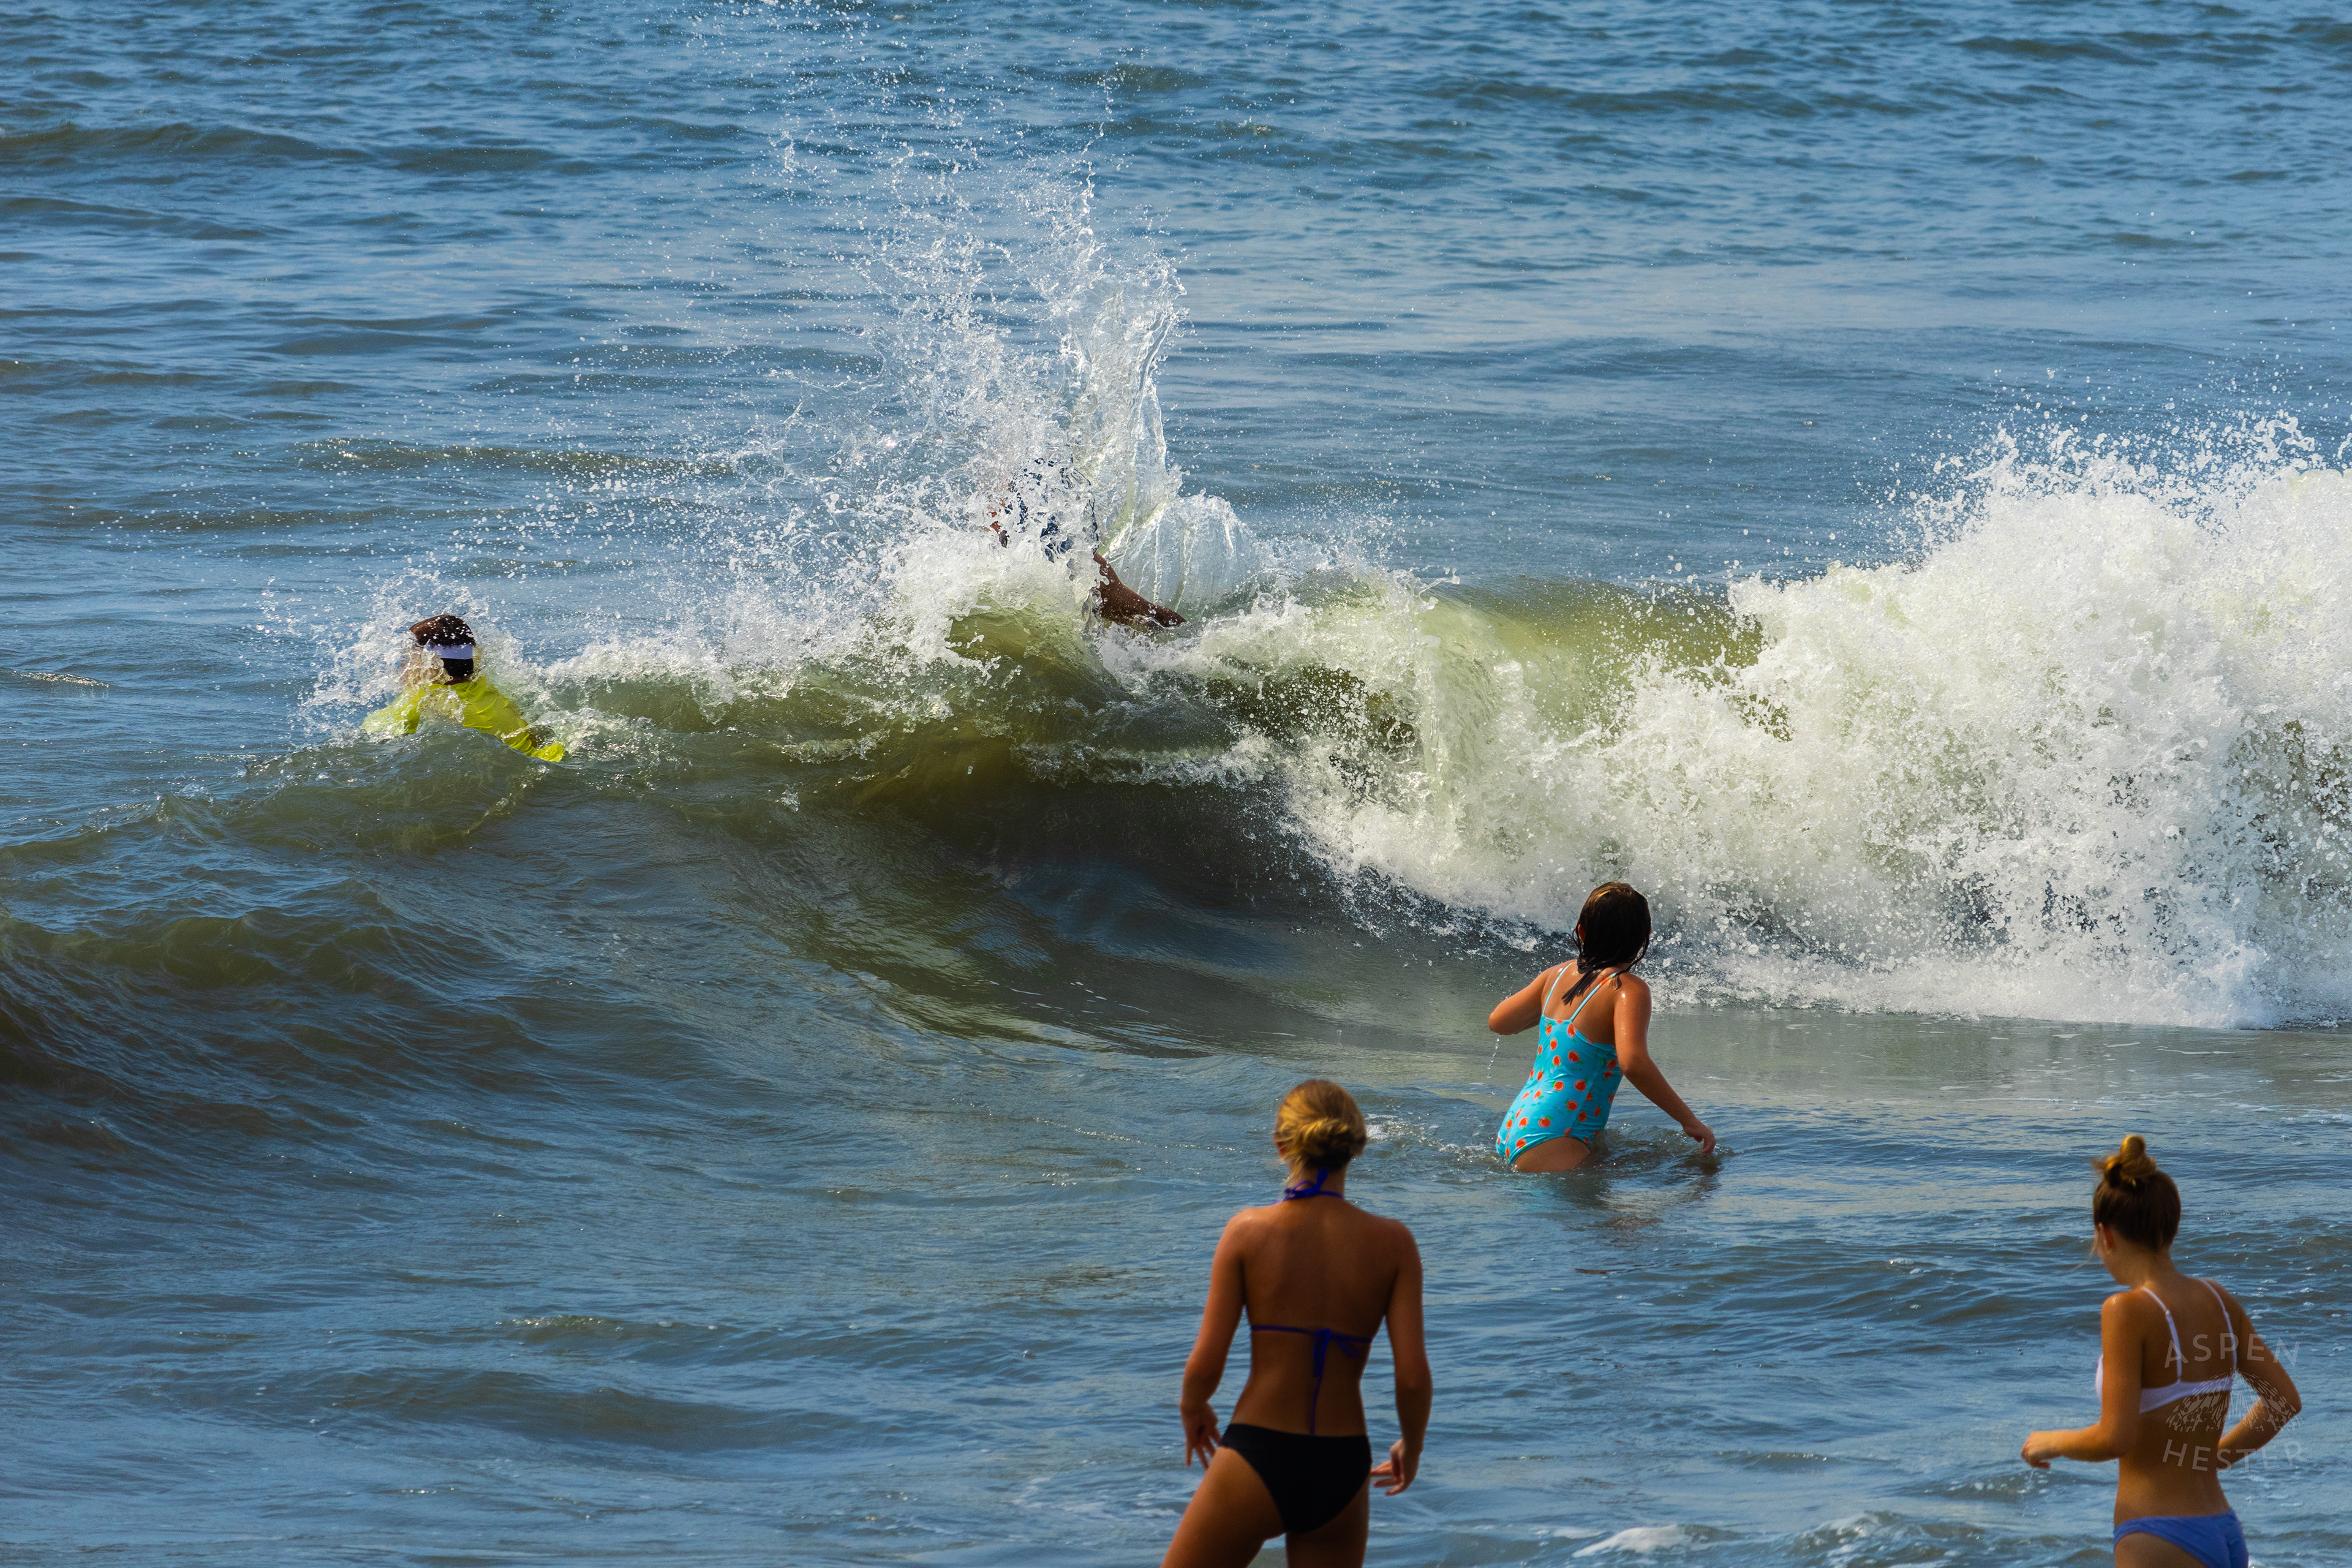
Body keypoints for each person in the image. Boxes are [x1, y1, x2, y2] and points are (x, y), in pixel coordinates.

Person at [1161, 1080, 1430, 1568]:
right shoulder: (1395, 1245)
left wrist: (1193, 1408)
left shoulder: (1248, 1232)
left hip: (1259, 1453)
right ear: (1357, 1147)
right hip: (1343, 1466)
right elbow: (1412, 1377)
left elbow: (1205, 1363)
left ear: (1281, 1143)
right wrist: (1411, 1446)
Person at [2020, 1136, 2301, 1568]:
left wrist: (2048, 1442)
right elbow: (2283, 1401)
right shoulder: (2219, 1301)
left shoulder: (2126, 1310)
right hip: (2223, 1529)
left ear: (2105, 1235)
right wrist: (2214, 1457)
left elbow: (2116, 1437)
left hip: (2157, 1534)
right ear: (2170, 1226)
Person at [1485, 881, 1714, 1171]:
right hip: (1556, 1134)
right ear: (1646, 937)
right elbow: (1633, 1062)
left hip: (1519, 1122)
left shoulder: (1555, 976)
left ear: (1581, 931)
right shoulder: (1627, 989)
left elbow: (1499, 1023)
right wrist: (1689, 1120)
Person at [986, 456, 1183, 628]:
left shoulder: (1072, 564)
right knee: (1147, 615)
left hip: (1075, 567)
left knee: (1149, 616)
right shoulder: (1003, 556)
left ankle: (1189, 637)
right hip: (1064, 562)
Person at [361, 615, 567, 761]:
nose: (402, 668)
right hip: (547, 757)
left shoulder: (423, 700)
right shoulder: (487, 687)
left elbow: (372, 740)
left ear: (430, 665)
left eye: (407, 658)